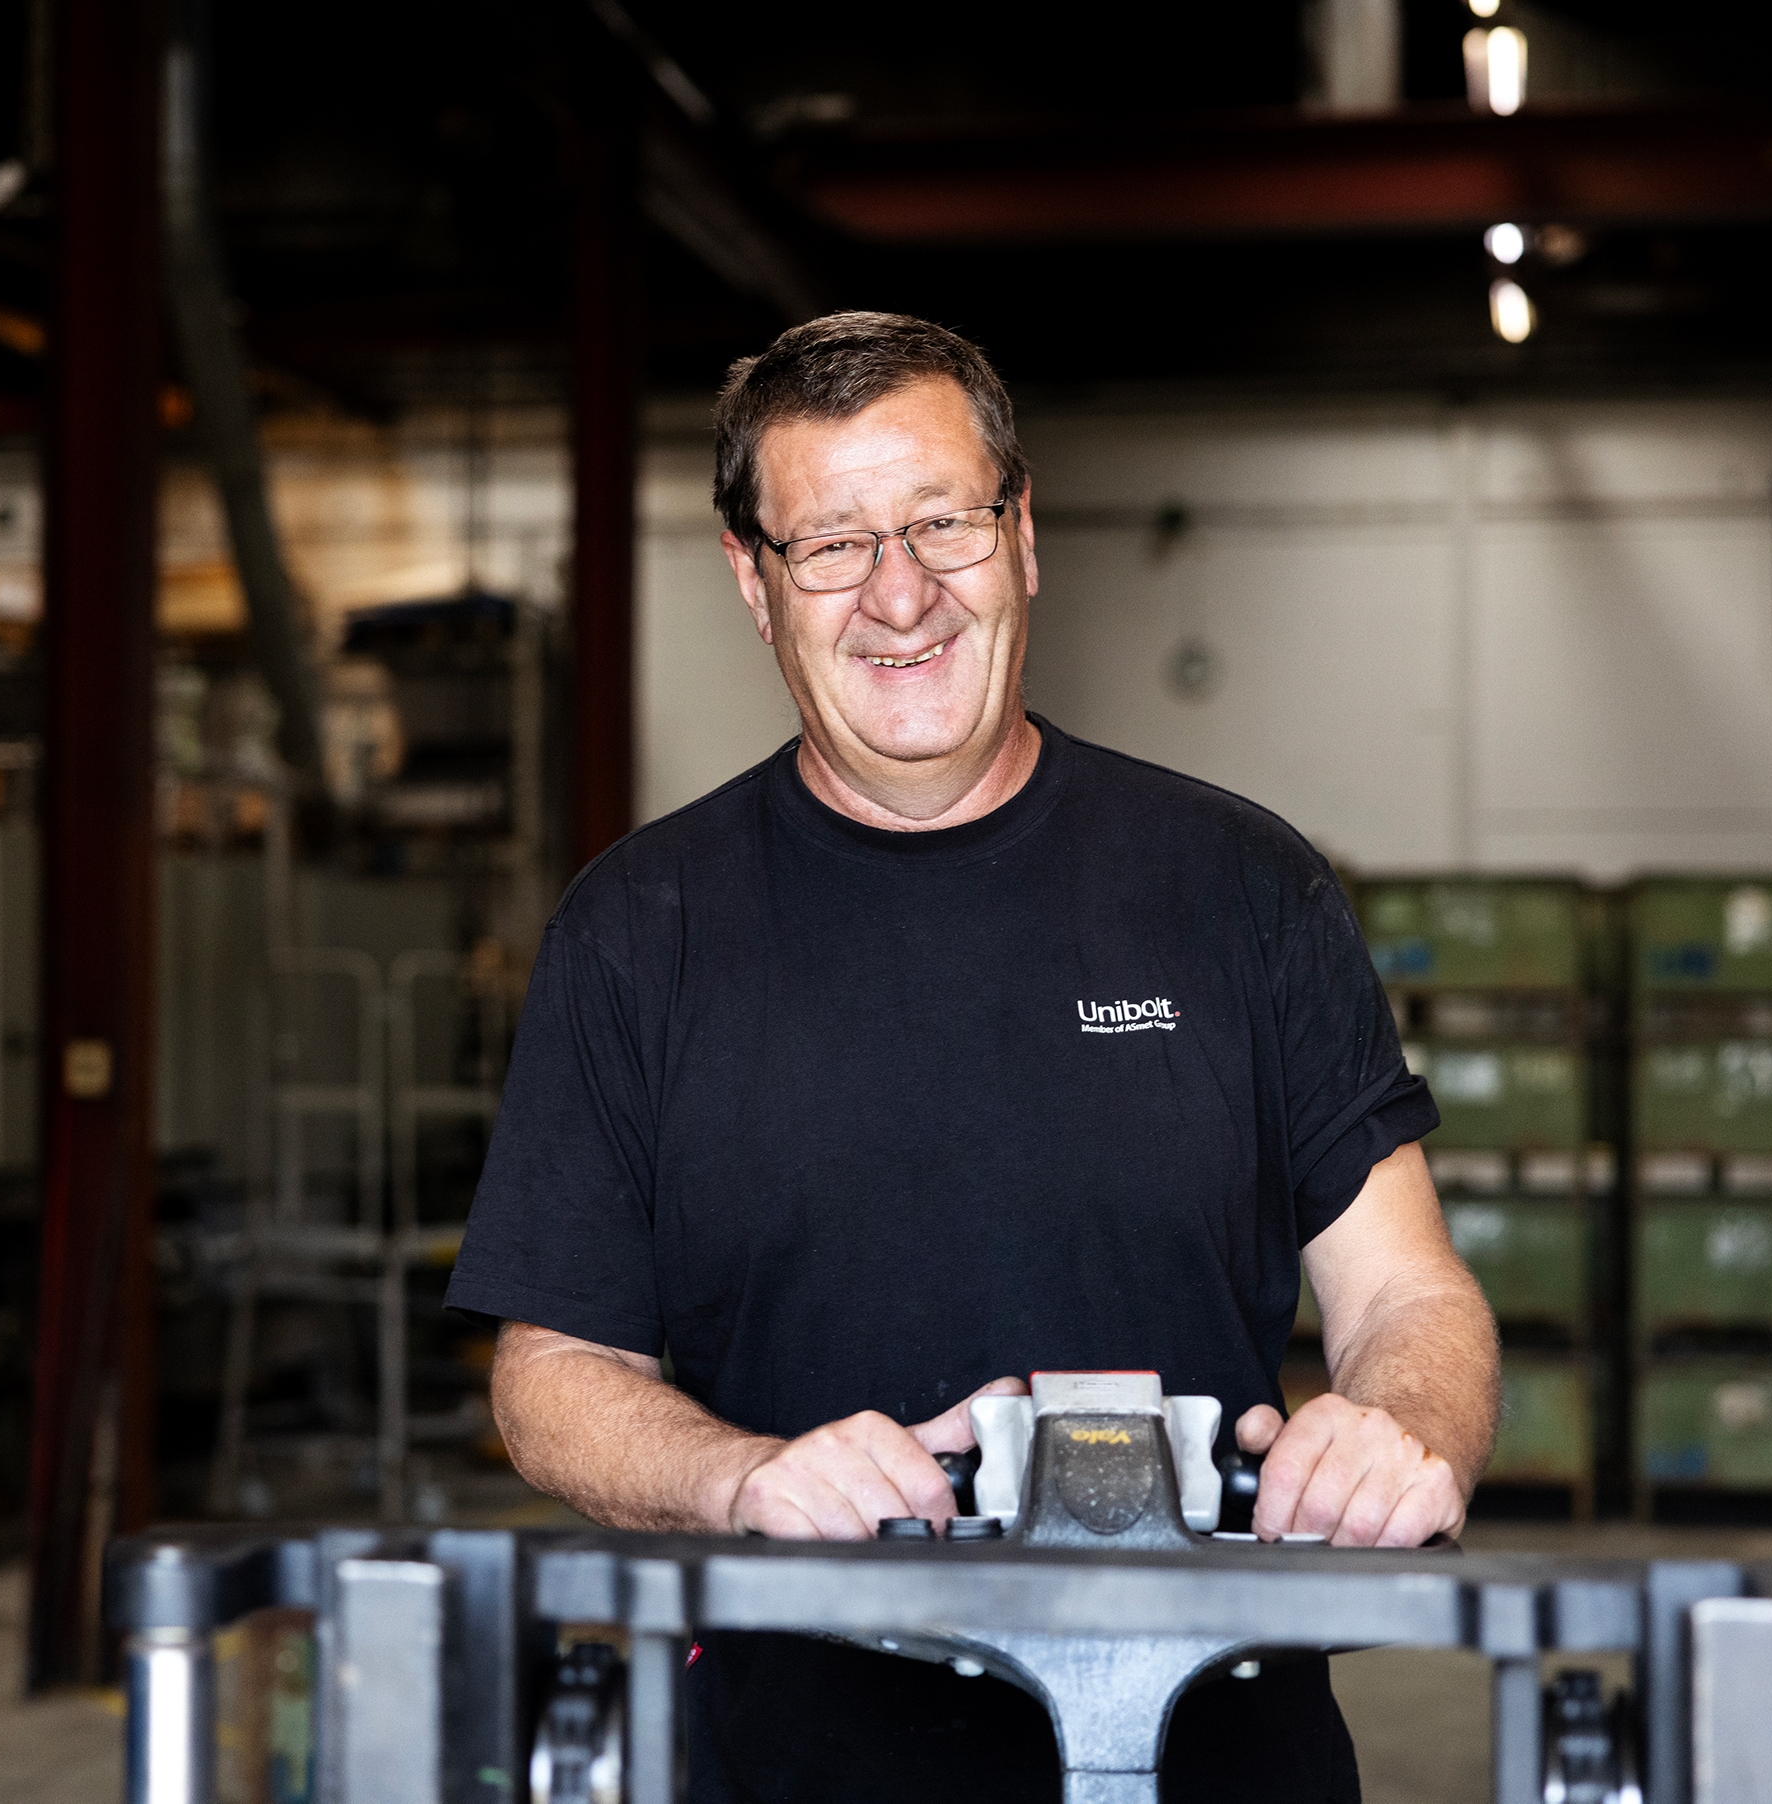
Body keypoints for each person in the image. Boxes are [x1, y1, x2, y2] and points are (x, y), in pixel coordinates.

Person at [442, 311, 1501, 1803]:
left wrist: (1400, 1433)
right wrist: (741, 1476)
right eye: (832, 545)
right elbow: (553, 1372)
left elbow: (1406, 1292)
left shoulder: (1240, 886)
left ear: (1022, 535)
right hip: (795, 1772)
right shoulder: (639, 930)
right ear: (755, 582)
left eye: (942, 522)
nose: (901, 594)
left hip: (1216, 1766)